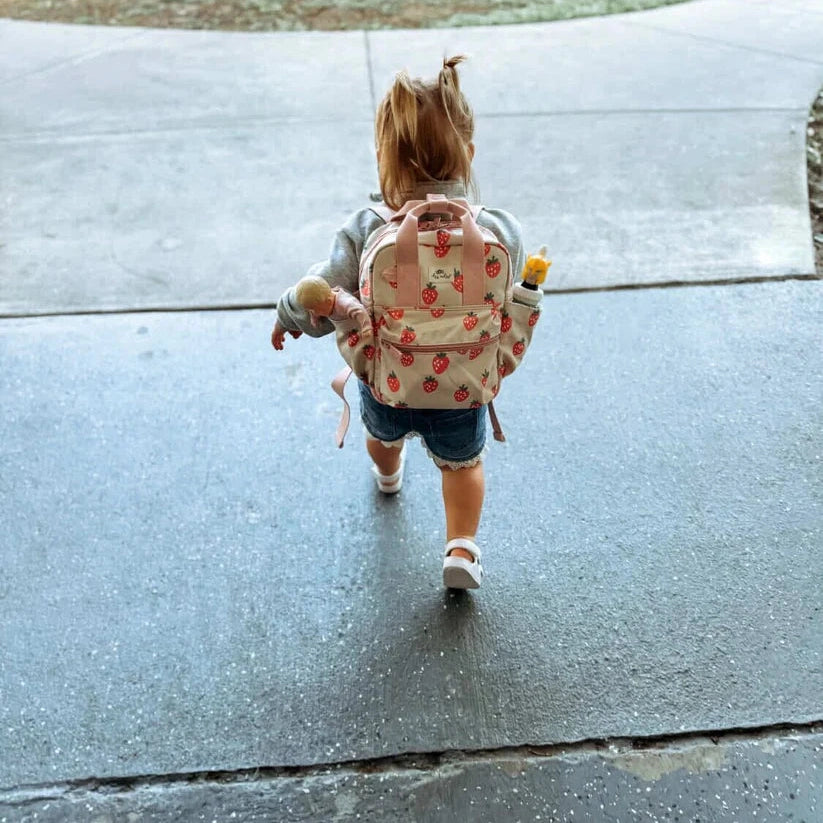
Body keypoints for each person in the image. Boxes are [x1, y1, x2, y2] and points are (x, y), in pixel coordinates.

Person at [271, 55, 525, 590]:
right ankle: (461, 547)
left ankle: (388, 474)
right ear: (469, 155)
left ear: (383, 161)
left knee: (382, 436)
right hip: (462, 388)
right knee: (463, 467)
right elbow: (507, 301)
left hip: (388, 383)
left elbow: (323, 298)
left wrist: (291, 313)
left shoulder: (366, 226)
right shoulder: (499, 228)